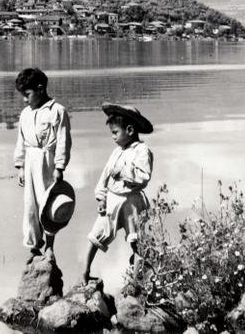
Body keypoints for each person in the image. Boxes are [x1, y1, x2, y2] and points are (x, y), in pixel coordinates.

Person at [82, 103, 154, 284]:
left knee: (136, 240)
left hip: (132, 201)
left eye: (115, 132)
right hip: (113, 200)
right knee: (96, 235)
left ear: (129, 130)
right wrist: (101, 197)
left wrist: (122, 172)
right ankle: (85, 272)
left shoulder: (142, 151)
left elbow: (144, 177)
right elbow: (105, 176)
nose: (113, 137)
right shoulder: (116, 152)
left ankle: (137, 280)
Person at [13, 68, 72, 263]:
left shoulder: (57, 111)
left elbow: (63, 141)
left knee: (48, 205)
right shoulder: (25, 114)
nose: (24, 99)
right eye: (22, 95)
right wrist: (20, 166)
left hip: (47, 162)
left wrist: (59, 166)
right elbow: (21, 141)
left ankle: (50, 247)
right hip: (30, 160)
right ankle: (33, 246)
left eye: (27, 95)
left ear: (40, 89)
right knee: (30, 205)